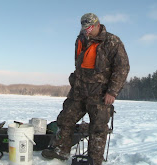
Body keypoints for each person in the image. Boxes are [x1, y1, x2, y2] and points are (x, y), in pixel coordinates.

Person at [41, 13, 130, 164]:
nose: (86, 31)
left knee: (98, 127)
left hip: (100, 93)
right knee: (65, 119)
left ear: (97, 25)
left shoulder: (112, 41)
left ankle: (94, 160)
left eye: (89, 28)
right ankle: (60, 150)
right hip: (79, 91)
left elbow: (122, 67)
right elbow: (80, 64)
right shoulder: (80, 39)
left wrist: (112, 91)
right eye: (83, 28)